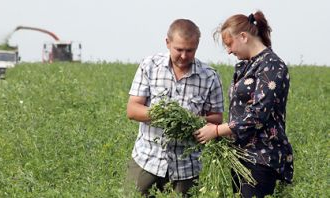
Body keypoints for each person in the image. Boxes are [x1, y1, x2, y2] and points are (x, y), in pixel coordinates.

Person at [194, 11, 294, 197]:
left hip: (261, 157)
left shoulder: (272, 66)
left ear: (243, 37)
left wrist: (216, 131)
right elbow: (239, 112)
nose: (229, 50)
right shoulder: (246, 66)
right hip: (241, 156)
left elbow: (257, 115)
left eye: (229, 44)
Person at [126, 19, 224, 197]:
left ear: (197, 46)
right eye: (179, 49)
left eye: (190, 50)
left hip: (187, 167)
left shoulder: (209, 76)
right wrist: (168, 116)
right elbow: (133, 110)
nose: (184, 56)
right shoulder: (150, 66)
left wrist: (191, 120)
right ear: (167, 43)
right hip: (147, 159)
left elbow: (216, 119)